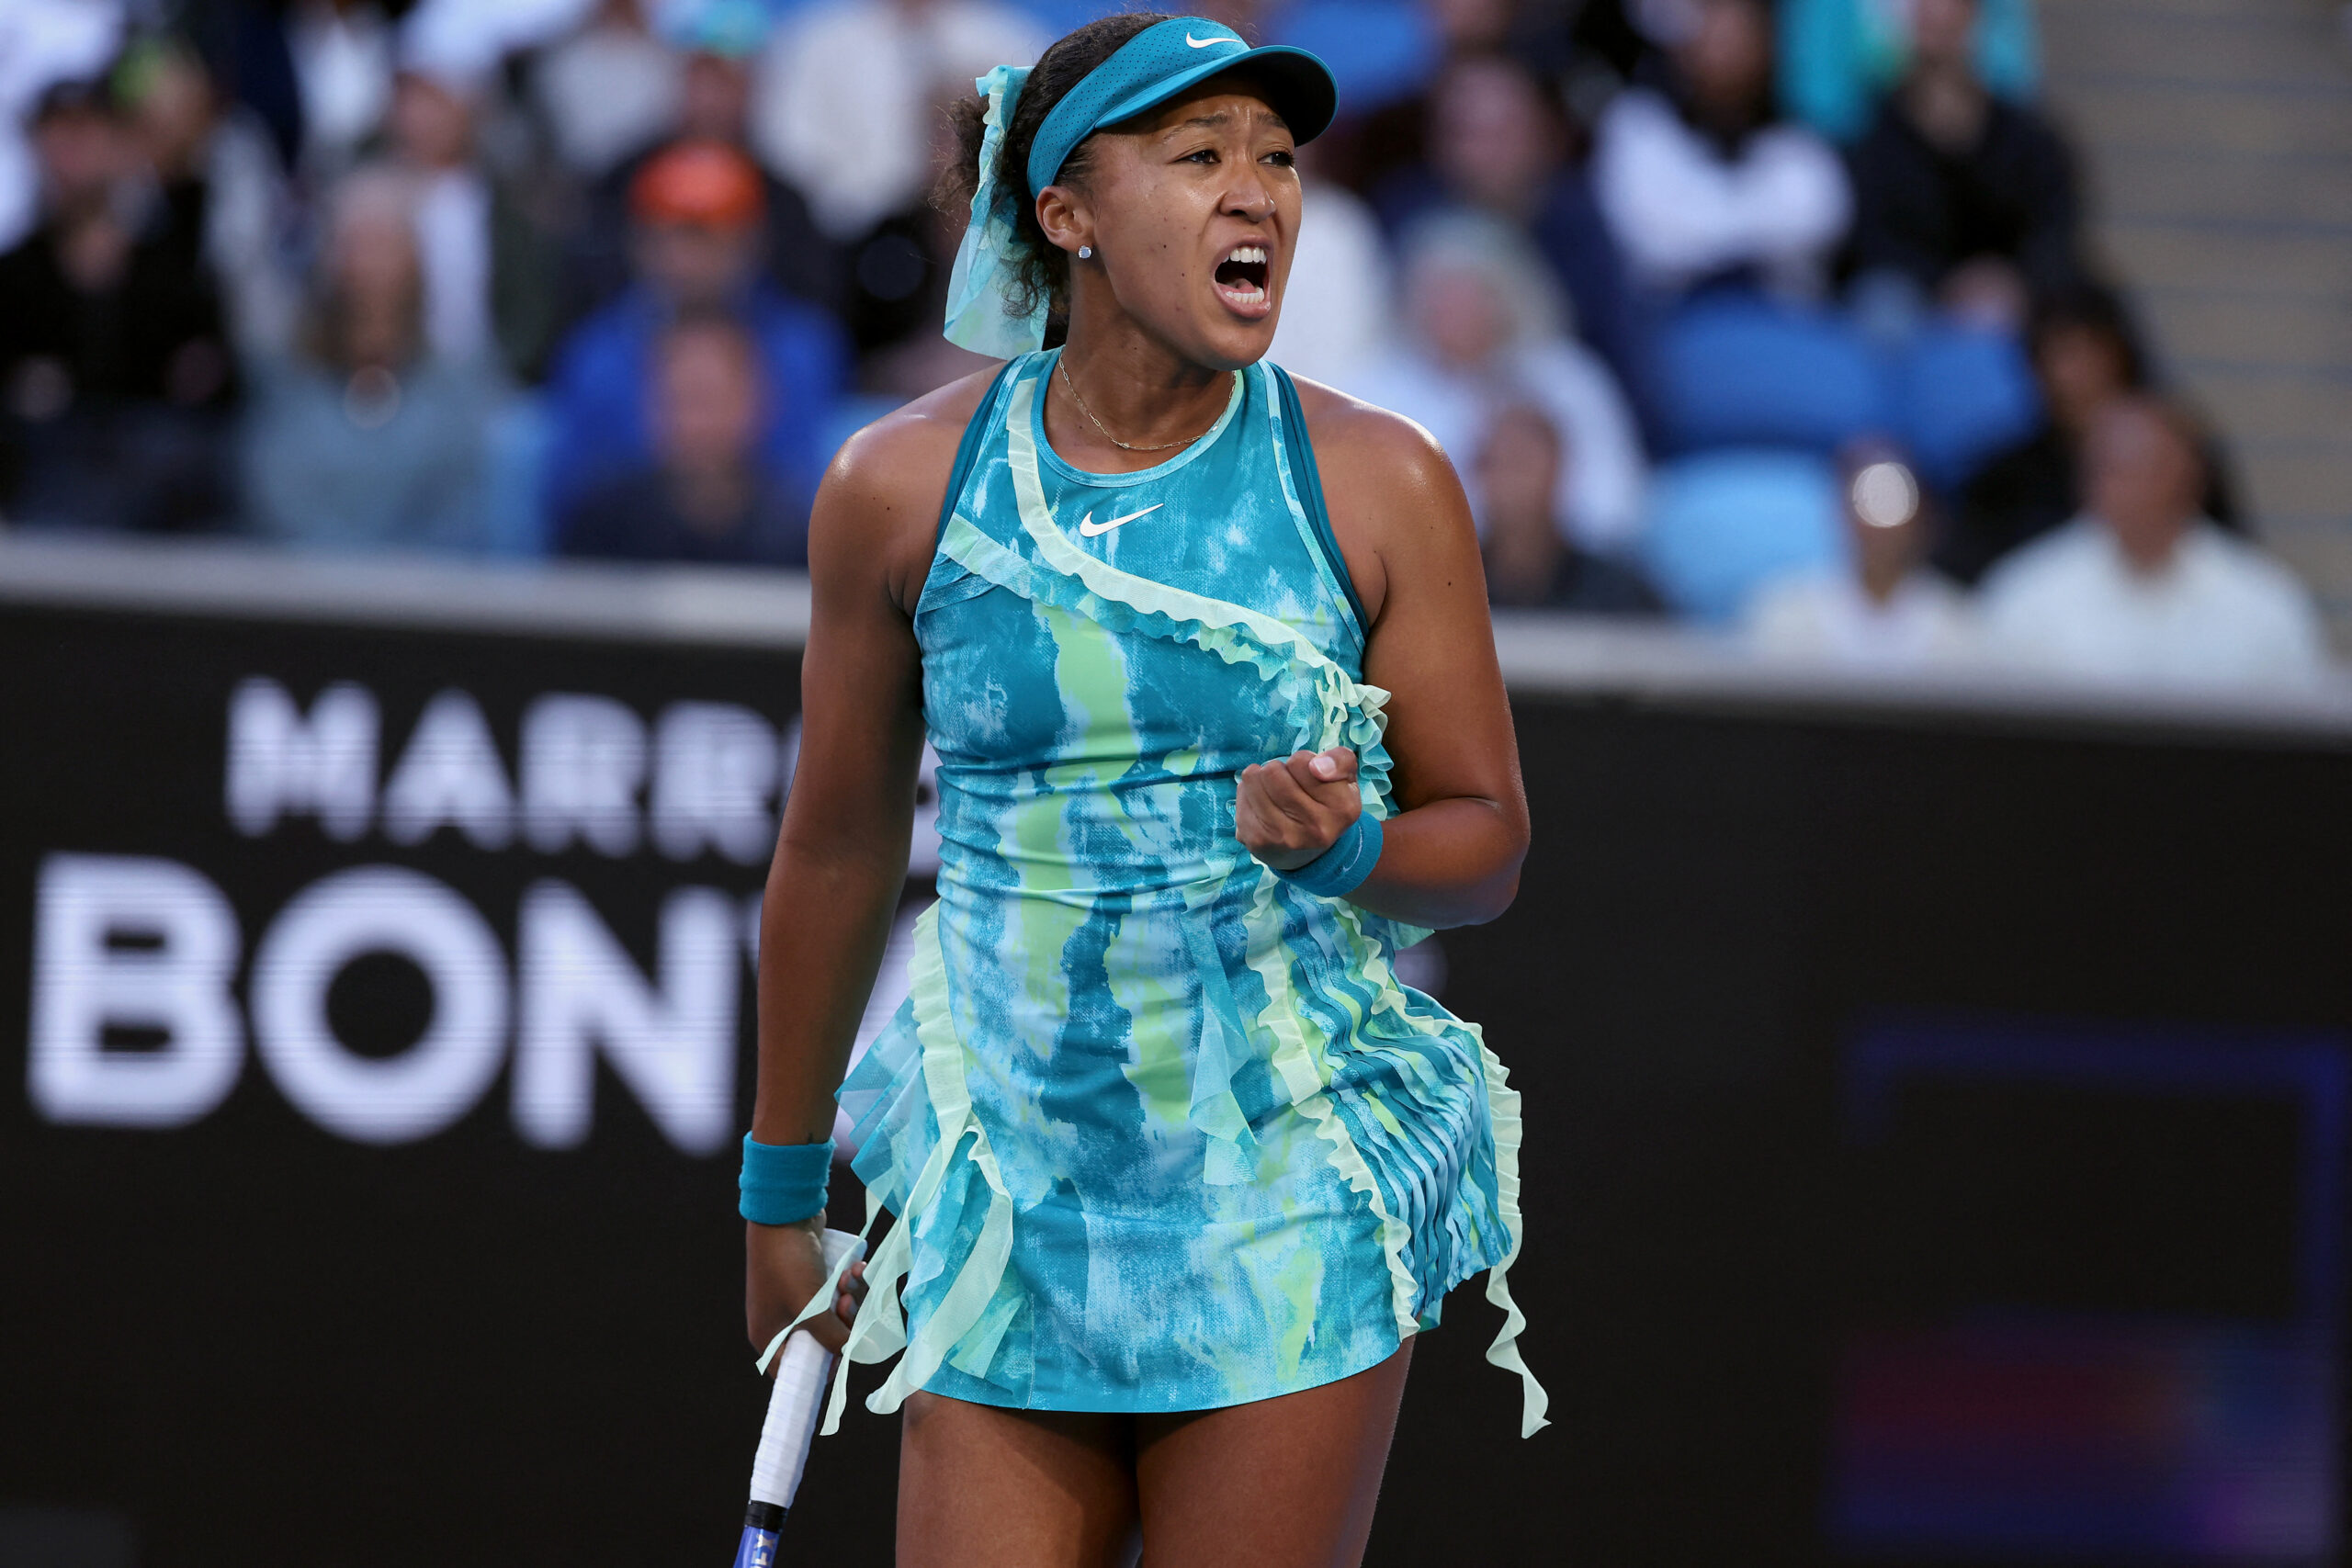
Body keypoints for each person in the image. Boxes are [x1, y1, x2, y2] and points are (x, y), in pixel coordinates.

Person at [742, 15, 1545, 1563]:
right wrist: (779, 1191)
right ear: (1069, 214)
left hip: (1283, 1202)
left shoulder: (1382, 480)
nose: (1257, 192)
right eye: (1198, 156)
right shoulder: (895, 489)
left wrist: (1350, 849)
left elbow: (1491, 840)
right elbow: (835, 849)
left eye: (1278, 159)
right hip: (1007, 1209)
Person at [540, 139, 847, 534]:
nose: (686, 258)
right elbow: (569, 494)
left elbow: (807, 487)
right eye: (669, 235)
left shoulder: (802, 349)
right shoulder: (594, 354)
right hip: (627, 550)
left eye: (706, 235)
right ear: (640, 243)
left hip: (764, 554)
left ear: (750, 242)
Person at [0, 75, 236, 532]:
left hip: (156, 526)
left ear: (122, 144)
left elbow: (216, 394)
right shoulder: (13, 279)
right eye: (58, 134)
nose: (72, 153)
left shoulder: (174, 275)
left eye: (87, 132)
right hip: (39, 520)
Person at [1978, 397, 2328, 687]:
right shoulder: (2025, 593)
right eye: (2106, 466)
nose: (2117, 485)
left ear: (2190, 477)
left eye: (2136, 466)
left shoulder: (2264, 602)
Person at [1352, 210, 1646, 551]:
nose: (1455, 313)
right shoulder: (1373, 394)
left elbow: (1614, 502)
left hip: (1566, 569)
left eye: (1473, 295)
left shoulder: (1567, 379)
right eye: (1441, 296)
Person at [241, 169, 501, 550]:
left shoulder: (455, 384)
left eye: (382, 245)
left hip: (425, 581)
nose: (367, 267)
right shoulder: (286, 378)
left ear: (416, 260)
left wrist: (399, 575)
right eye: (353, 244)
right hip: (304, 578)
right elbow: (274, 491)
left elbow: (463, 502)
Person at [1943, 283, 2239, 584]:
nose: (2074, 376)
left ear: (2120, 356)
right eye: (2058, 356)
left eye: (2088, 353)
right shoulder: (2003, 485)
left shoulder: (2178, 458)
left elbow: (2225, 560)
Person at [1591, 0, 1851, 303]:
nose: (1725, 50)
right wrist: (1761, 227)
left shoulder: (1798, 138)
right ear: (1683, 47)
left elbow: (1819, 217)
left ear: (1767, 46)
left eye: (1740, 34)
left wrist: (1706, 225)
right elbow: (1659, 239)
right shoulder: (1638, 122)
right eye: (1713, 34)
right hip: (1670, 314)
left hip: (1786, 316)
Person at [1846, 0, 2079, 329]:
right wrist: (1945, 285)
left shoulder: (2026, 136)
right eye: (1925, 12)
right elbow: (1870, 236)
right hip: (1910, 295)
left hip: (2006, 296)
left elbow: (2053, 227)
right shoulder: (1876, 131)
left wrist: (2012, 277)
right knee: (1883, 308)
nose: (1936, 19)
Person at [556, 308, 810, 565]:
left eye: (711, 400)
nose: (696, 422)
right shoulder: (600, 525)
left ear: (759, 403)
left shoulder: (799, 534)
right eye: (679, 399)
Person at [1746, 443, 1975, 666]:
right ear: (1843, 511)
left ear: (1920, 515)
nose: (1881, 525)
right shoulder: (1786, 612)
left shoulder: (1955, 620)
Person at [1476, 403, 1663, 614]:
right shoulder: (1454, 584)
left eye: (1521, 465)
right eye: (1495, 463)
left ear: (1556, 470)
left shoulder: (1616, 591)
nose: (1510, 482)